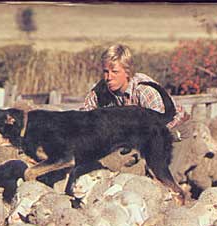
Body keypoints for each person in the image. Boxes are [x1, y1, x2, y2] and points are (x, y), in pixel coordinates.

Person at [82, 44, 191, 184]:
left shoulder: (144, 90)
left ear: (127, 71)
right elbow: (85, 115)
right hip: (138, 136)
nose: (109, 77)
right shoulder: (101, 89)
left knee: (161, 182)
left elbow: (162, 125)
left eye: (114, 72)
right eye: (105, 72)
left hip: (173, 131)